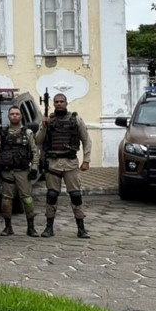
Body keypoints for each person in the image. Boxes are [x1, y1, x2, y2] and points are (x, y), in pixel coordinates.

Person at [35, 93, 92, 238]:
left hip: (70, 163)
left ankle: (81, 228)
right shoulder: (49, 121)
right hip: (53, 163)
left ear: (66, 103)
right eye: (56, 102)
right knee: (52, 195)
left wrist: (86, 160)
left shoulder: (75, 119)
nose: (59, 104)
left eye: (61, 101)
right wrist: (43, 126)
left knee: (76, 195)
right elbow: (38, 141)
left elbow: (86, 140)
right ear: (53, 104)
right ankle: (49, 228)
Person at [0, 105, 40, 237]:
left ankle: (31, 227)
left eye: (17, 114)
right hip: (7, 171)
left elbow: (35, 151)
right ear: (8, 116)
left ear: (21, 116)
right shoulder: (2, 133)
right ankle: (8, 227)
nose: (14, 116)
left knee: (27, 199)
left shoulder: (27, 133)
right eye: (12, 114)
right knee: (6, 200)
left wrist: (34, 168)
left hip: (23, 171)